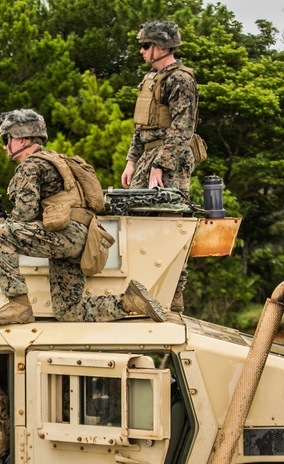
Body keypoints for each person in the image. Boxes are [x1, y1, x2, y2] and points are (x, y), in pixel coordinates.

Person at [0, 108, 165, 326]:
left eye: (6, 138)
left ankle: (19, 305)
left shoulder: (31, 165)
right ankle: (130, 302)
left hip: (63, 236)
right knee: (69, 309)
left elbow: (23, 219)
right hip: (82, 239)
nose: (4, 145)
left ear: (22, 139)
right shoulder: (58, 160)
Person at [120, 20, 198, 312]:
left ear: (162, 46)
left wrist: (162, 166)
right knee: (137, 224)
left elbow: (182, 128)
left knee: (169, 225)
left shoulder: (181, 79)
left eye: (146, 45)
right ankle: (143, 290)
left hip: (169, 160)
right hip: (146, 158)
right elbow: (141, 126)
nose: (141, 51)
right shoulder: (152, 77)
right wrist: (132, 160)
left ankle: (173, 294)